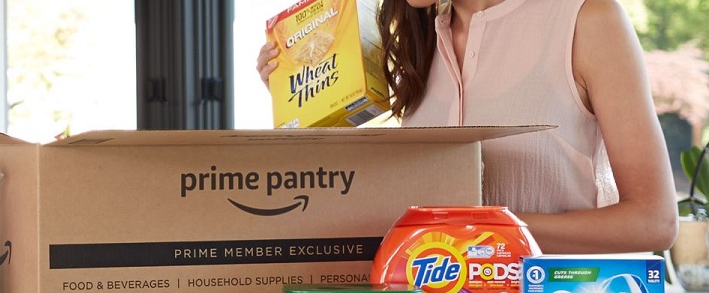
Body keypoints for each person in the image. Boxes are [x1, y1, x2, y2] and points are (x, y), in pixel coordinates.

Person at [257, 0, 678, 254]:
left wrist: (481, 230)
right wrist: (299, 88)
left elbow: (654, 222)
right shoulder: (414, 46)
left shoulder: (586, 19)